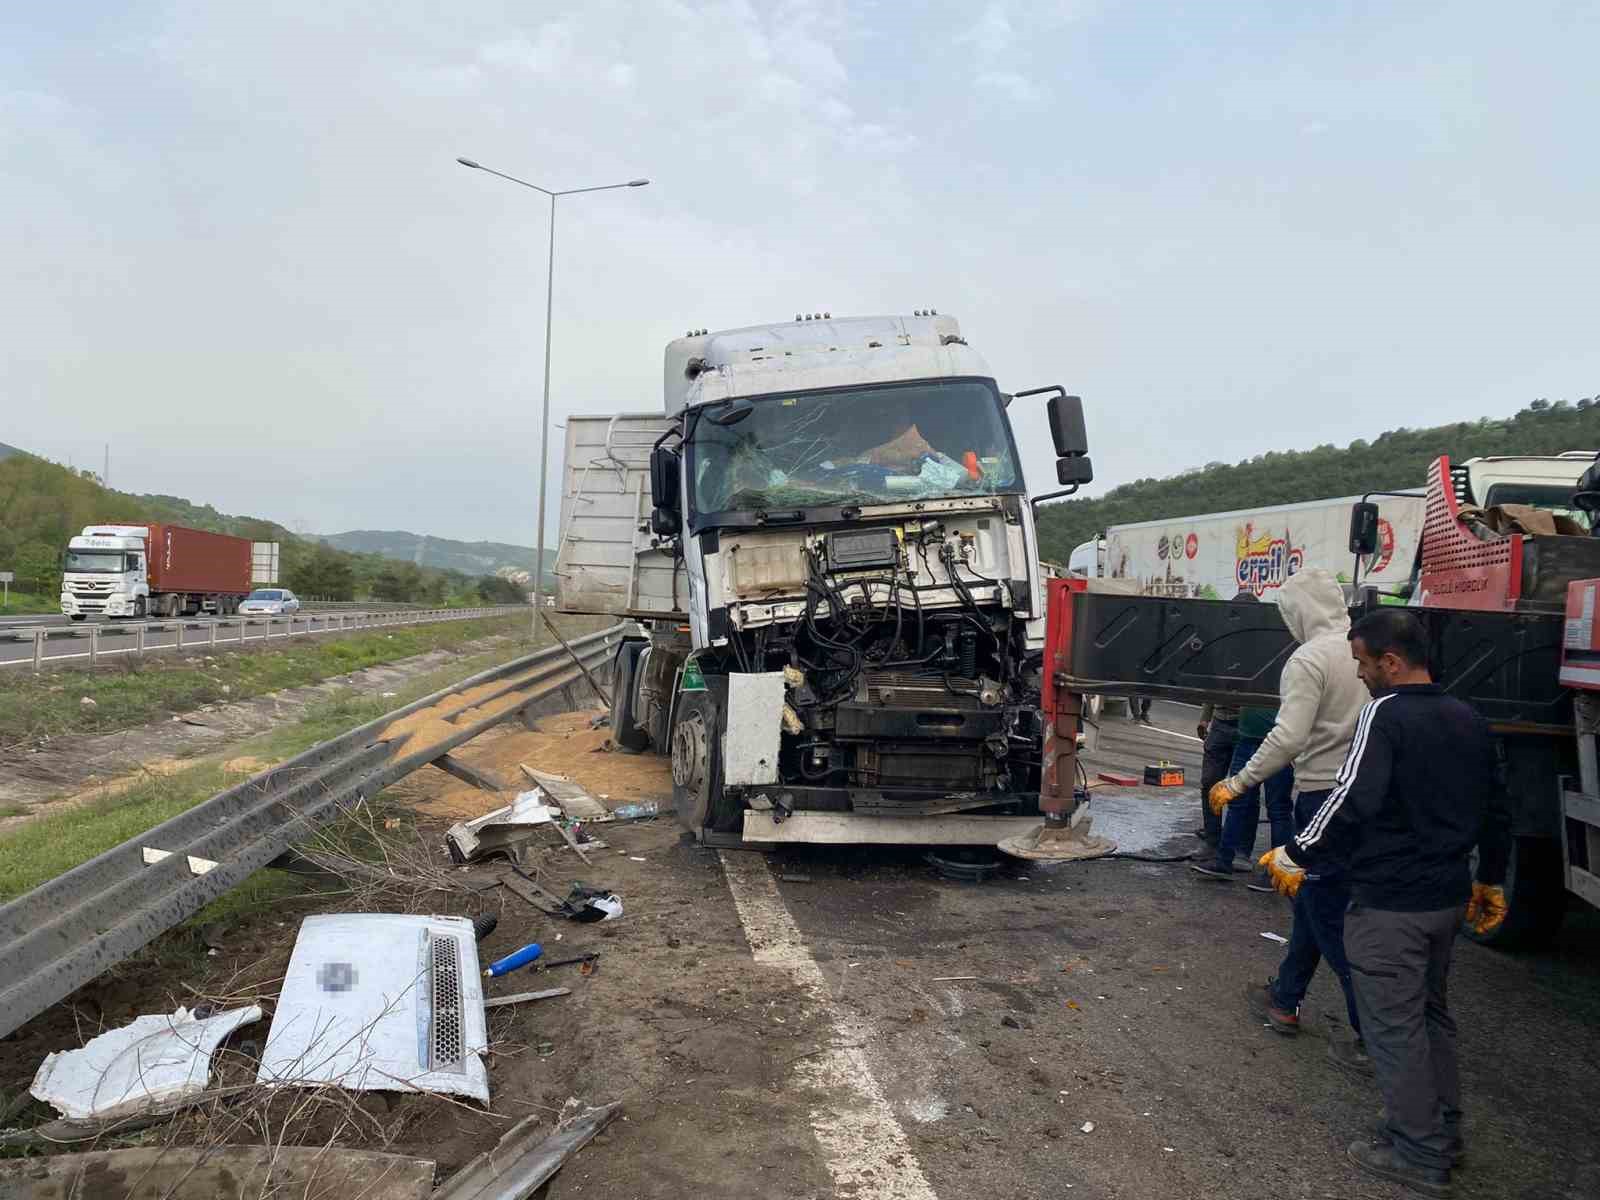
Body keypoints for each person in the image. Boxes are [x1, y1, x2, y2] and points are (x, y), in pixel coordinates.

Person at [1260, 608, 1509, 1197]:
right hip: (1446, 900)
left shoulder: (1386, 713)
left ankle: (1419, 1154)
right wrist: (1489, 879)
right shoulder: (1468, 716)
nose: (1362, 675)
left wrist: (1297, 853)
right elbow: (1498, 806)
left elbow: (1350, 799)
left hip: (1391, 904)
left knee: (1393, 1029)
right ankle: (1442, 1130)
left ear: (1391, 662)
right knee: (1430, 1016)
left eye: (1364, 665)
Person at [1204, 569, 1369, 1059]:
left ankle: (1373, 1031)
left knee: (1327, 914)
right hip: (1366, 796)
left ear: (1298, 610)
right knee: (1312, 905)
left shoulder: (1310, 658)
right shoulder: (1366, 650)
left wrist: (1238, 781)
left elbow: (1289, 736)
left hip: (1321, 798)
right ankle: (1286, 998)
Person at [1191, 701, 1294, 881]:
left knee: (1278, 808)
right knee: (1237, 798)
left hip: (1276, 741)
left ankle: (1276, 873)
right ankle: (1224, 860)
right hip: (1247, 737)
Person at [1195, 701, 1239, 849]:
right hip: (1220, 724)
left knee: (1242, 791)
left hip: (1245, 726)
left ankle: (1236, 848)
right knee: (1209, 783)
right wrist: (1204, 720)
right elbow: (1214, 685)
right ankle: (1212, 840)